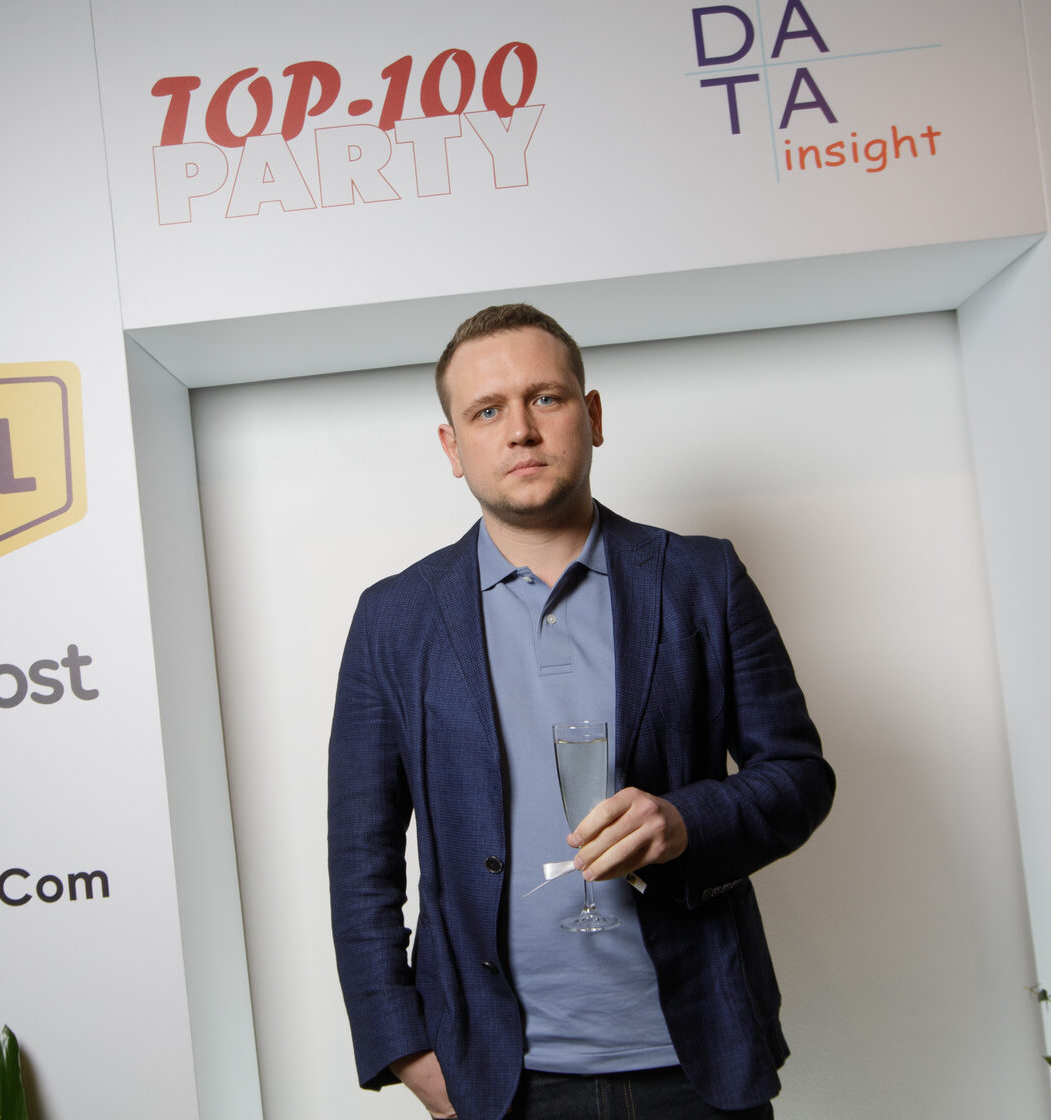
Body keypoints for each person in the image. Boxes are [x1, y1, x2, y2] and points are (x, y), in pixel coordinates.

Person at [328, 304, 834, 1120]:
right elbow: (361, 854)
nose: (520, 430)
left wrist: (686, 822)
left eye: (546, 398)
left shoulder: (701, 580)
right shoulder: (393, 619)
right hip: (497, 1079)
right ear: (452, 448)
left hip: (697, 1059)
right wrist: (403, 1046)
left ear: (592, 416)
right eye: (486, 411)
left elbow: (799, 776)